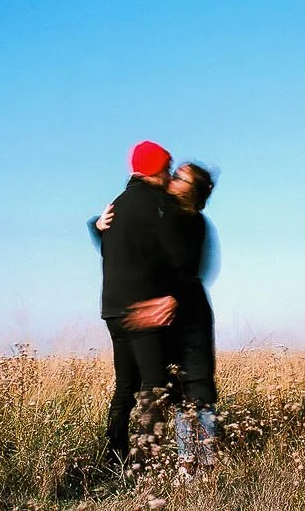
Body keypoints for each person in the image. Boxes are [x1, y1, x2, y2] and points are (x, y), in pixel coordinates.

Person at [97, 162, 219, 480]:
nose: (172, 179)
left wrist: (174, 296)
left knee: (198, 389)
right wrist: (97, 227)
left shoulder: (195, 222)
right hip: (161, 318)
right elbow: (128, 250)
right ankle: (176, 467)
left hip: (188, 315)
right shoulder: (160, 212)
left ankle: (200, 467)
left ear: (194, 191)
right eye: (174, 173)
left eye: (180, 177)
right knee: (173, 391)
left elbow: (190, 268)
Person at [89, 140, 179, 468]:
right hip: (145, 311)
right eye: (167, 169)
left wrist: (92, 226)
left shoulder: (116, 205)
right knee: (156, 388)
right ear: (154, 172)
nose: (170, 177)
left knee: (126, 386)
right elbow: (166, 258)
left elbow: (110, 249)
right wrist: (171, 296)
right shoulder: (157, 204)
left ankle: (115, 456)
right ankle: (148, 462)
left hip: (113, 309)